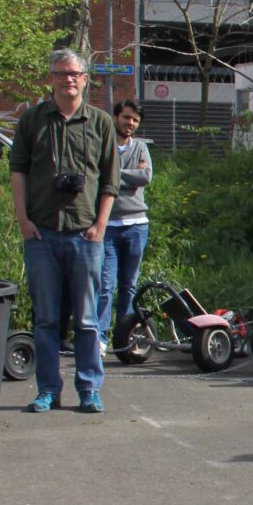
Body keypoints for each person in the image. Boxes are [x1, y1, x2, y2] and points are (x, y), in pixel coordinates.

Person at [10, 49, 118, 414]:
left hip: (85, 235)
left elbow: (110, 180)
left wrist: (100, 225)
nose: (67, 79)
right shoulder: (33, 120)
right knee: (46, 319)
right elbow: (18, 171)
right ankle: (47, 390)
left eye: (74, 73)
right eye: (60, 73)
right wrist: (23, 220)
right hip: (41, 234)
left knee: (87, 320)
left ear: (85, 79)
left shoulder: (101, 123)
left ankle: (89, 389)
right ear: (51, 79)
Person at [96, 100, 152, 349]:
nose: (130, 123)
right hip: (108, 226)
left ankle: (124, 337)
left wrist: (114, 174)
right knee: (105, 285)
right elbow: (97, 177)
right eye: (127, 117)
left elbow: (145, 177)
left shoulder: (140, 147)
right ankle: (100, 339)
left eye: (135, 120)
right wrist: (130, 176)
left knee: (129, 285)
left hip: (137, 226)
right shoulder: (102, 146)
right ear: (116, 117)